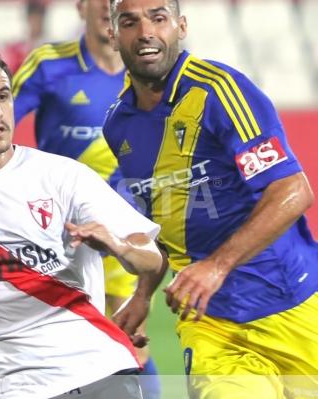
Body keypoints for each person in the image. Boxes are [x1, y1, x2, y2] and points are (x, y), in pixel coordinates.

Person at [0, 42, 165, 399]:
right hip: (9, 387)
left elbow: (151, 255)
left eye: (3, 96)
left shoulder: (64, 177)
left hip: (100, 371)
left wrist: (118, 245)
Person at [104, 0, 318, 398]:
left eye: (158, 17)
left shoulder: (220, 91)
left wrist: (217, 266)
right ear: (114, 35)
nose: (145, 31)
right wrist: (143, 294)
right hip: (211, 325)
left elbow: (292, 190)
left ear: (180, 26)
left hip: (295, 306)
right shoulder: (118, 125)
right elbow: (164, 223)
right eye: (130, 22)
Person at [12, 1, 161, 397]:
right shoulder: (48, 64)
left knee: (132, 343)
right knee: (63, 347)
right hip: (60, 234)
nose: (110, 8)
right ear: (81, 6)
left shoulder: (150, 70)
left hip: (123, 225)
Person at [0, 0, 47, 74]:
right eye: (33, 18)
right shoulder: (17, 47)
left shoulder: (49, 46)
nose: (36, 22)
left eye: (39, 18)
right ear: (28, 19)